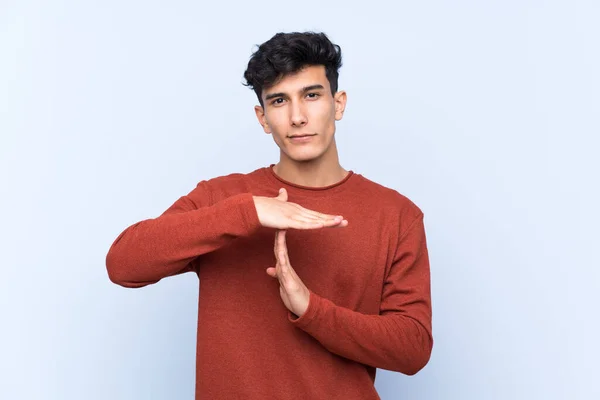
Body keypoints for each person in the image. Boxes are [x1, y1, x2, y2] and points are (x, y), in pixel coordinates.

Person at [106, 31, 433, 400]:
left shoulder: (396, 215)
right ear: (262, 118)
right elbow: (124, 263)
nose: (297, 117)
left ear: (338, 104)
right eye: (279, 101)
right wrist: (248, 211)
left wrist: (311, 309)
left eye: (311, 95)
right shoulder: (222, 198)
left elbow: (413, 348)